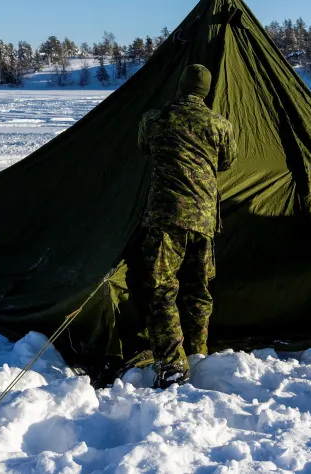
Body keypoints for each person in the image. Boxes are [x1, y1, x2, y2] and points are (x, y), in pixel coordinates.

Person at [135, 64, 237, 388]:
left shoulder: (155, 118)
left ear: (180, 86)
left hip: (166, 217)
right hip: (204, 218)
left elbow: (144, 147)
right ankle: (198, 351)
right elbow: (226, 161)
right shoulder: (220, 125)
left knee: (161, 289)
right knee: (198, 288)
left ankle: (172, 362)